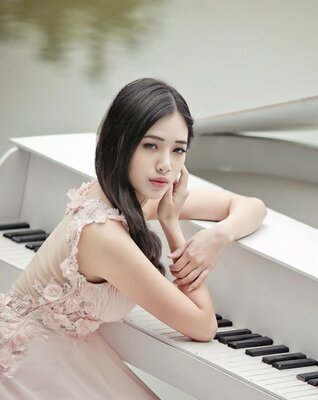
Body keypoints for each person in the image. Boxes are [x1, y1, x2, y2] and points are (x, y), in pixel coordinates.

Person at [0, 78, 267, 398]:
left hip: (55, 350)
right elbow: (203, 326)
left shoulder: (121, 193)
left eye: (178, 149)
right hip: (28, 368)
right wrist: (171, 226)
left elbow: (252, 206)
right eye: (151, 145)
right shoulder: (103, 236)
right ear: (120, 142)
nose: (165, 165)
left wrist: (221, 234)